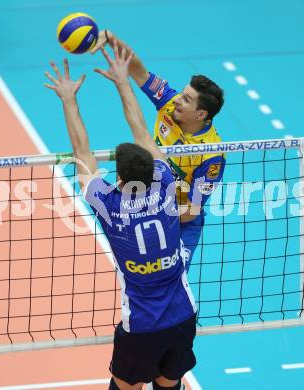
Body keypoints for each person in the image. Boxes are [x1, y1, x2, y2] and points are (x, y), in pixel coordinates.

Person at [44, 42, 197, 390]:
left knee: (127, 387)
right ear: (151, 170)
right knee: (169, 384)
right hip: (183, 315)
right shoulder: (166, 184)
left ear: (122, 179)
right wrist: (124, 82)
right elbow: (143, 133)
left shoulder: (109, 205)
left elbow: (81, 152)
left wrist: (68, 98)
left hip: (142, 325)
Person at [91, 31, 226, 270]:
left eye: (186, 99)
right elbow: (139, 71)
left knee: (173, 278)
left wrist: (155, 211)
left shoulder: (212, 156)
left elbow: (191, 211)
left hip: (180, 222)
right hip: (147, 202)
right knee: (138, 275)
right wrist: (112, 40)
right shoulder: (168, 102)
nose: (177, 100)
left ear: (201, 114)